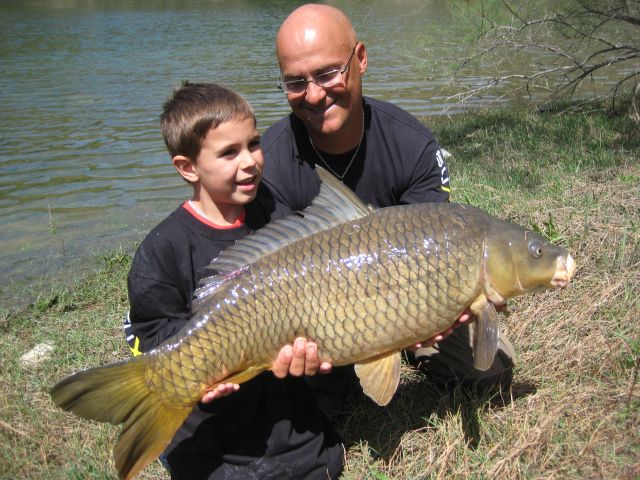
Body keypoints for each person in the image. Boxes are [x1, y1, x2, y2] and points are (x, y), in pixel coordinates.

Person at [259, 3, 515, 410]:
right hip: (310, 317)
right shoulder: (268, 163)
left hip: (405, 300)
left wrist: (444, 307)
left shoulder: (412, 146)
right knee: (287, 391)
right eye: (295, 82)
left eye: (327, 74)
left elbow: (442, 257)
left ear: (360, 58)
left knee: (490, 370)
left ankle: (408, 351)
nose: (314, 94)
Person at [124, 82, 344, 479]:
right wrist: (199, 376)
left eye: (254, 144)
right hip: (211, 420)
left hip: (282, 402)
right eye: (229, 152)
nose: (250, 162)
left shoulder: (277, 217)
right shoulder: (163, 250)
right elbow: (151, 332)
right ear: (187, 167)